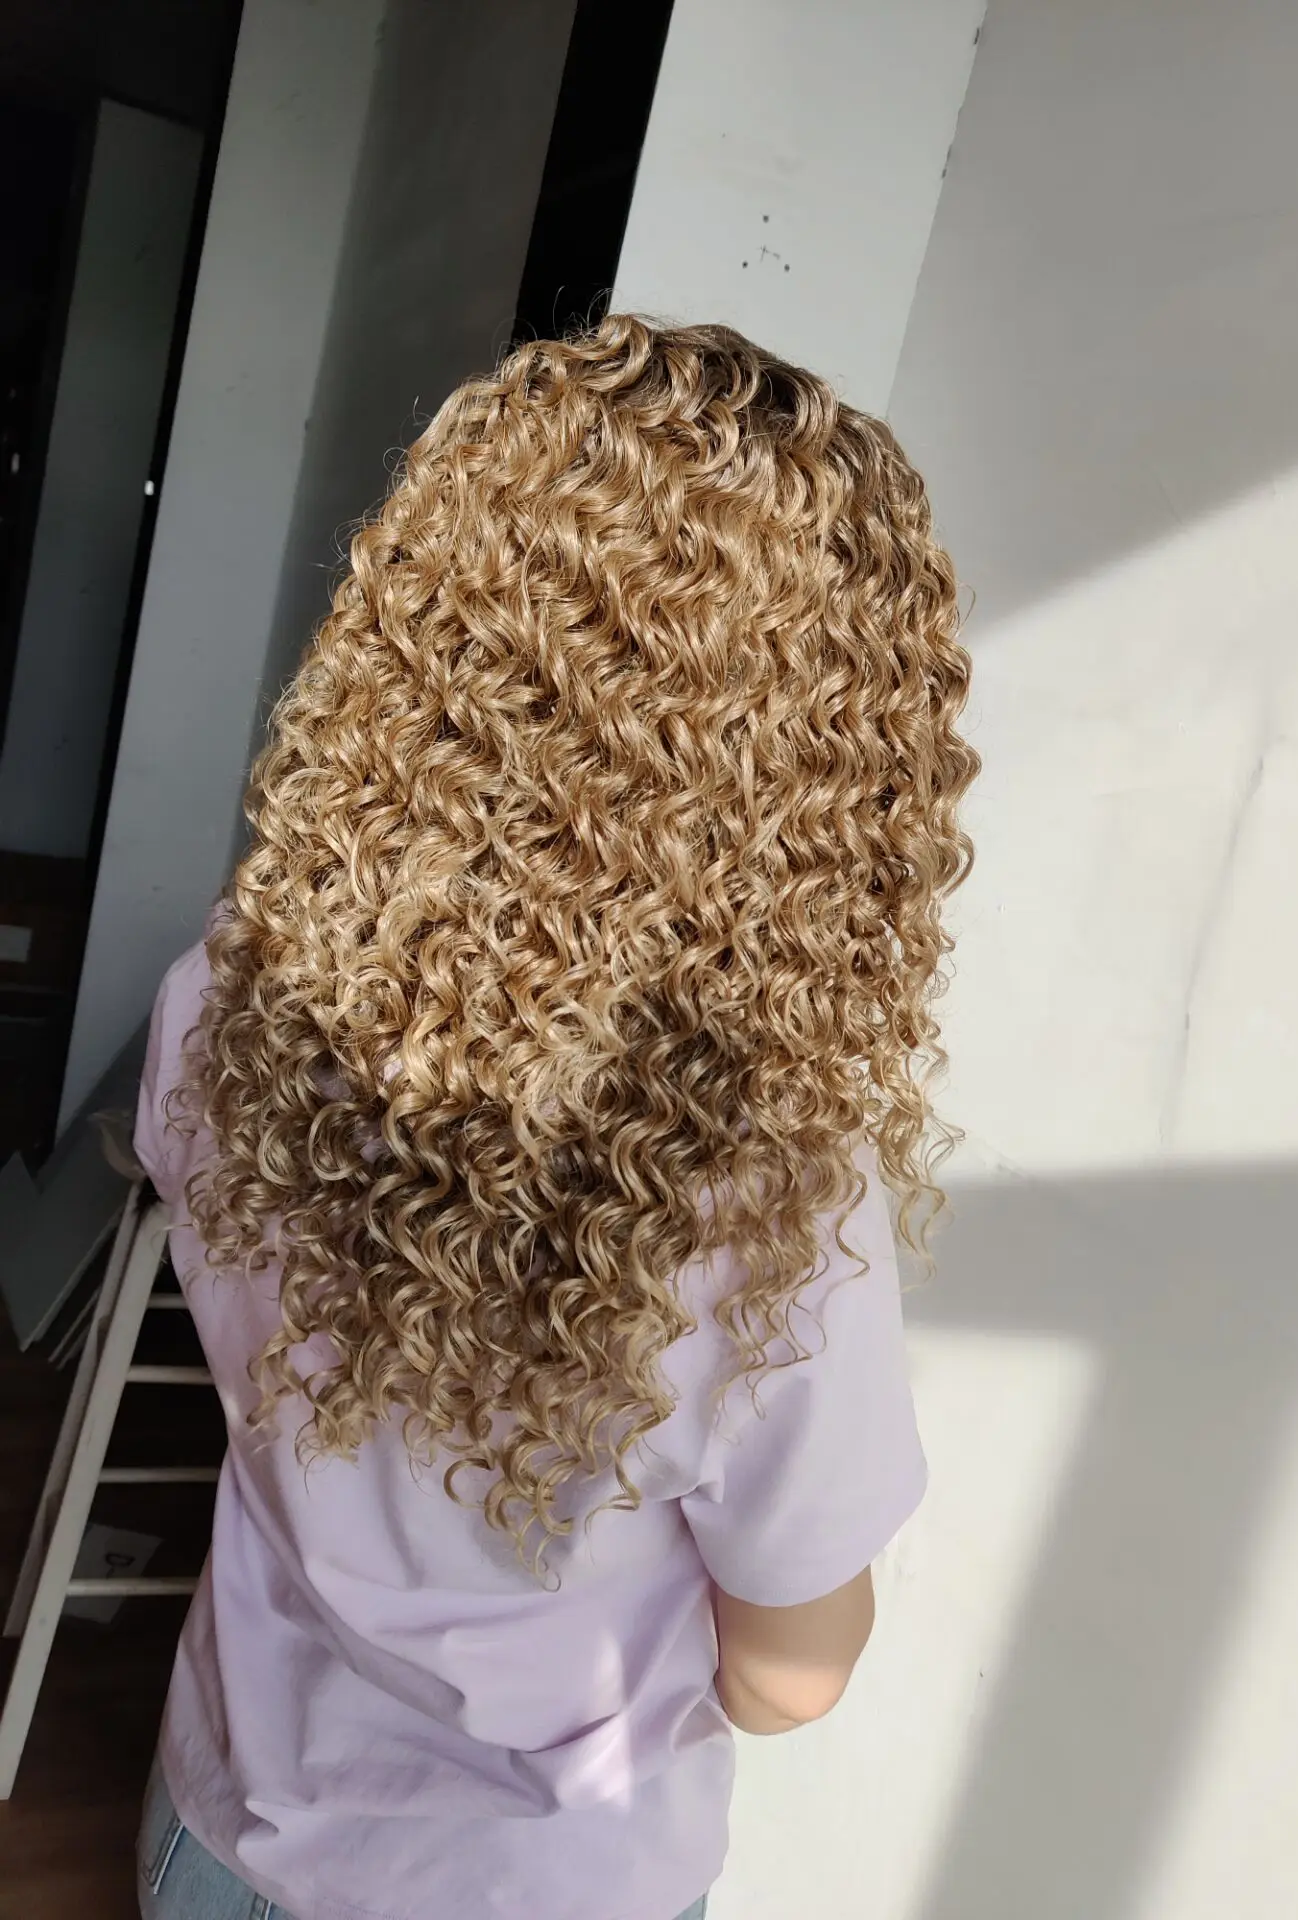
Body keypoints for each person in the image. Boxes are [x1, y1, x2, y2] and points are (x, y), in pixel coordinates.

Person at [132, 315, 977, 1920]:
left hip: (229, 1817)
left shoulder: (236, 987)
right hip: (531, 1881)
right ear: (826, 765)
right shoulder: (766, 1212)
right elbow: (791, 1679)